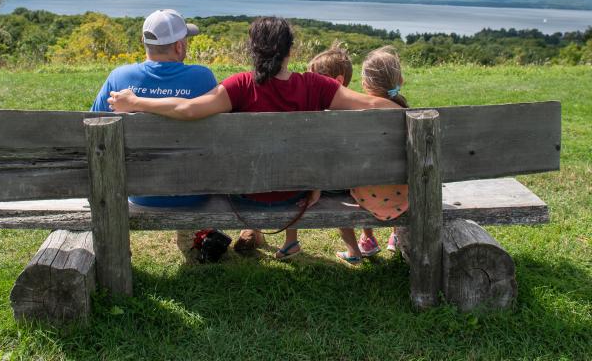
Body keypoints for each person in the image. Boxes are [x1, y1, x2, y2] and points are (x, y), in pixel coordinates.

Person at [108, 17, 400, 260]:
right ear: (290, 52)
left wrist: (137, 102)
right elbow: (373, 105)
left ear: (253, 51)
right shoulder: (316, 86)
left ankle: (253, 233)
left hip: (244, 195)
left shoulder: (240, 86)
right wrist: (410, 112)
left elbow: (186, 109)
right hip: (296, 195)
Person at [92, 8, 217, 208]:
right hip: (194, 191)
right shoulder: (203, 77)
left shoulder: (119, 78)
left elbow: (93, 124)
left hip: (138, 192)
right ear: (178, 46)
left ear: (144, 42)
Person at [333, 45, 409, 265]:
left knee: (360, 179)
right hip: (404, 197)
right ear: (399, 80)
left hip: (367, 196)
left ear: (365, 83)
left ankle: (365, 239)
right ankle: (395, 235)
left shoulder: (357, 117)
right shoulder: (409, 113)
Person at [307, 44, 382, 260]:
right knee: (356, 184)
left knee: (337, 193)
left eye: (316, 80)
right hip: (363, 182)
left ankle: (353, 251)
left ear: (336, 82)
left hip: (334, 186)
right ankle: (368, 237)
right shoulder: (361, 108)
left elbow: (321, 160)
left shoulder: (322, 116)